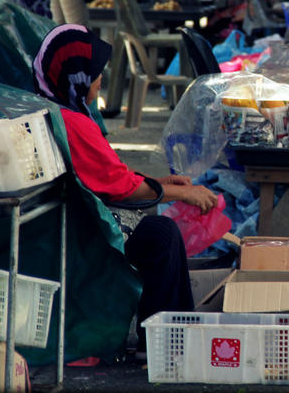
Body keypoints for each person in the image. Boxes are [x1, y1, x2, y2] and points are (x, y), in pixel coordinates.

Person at [32, 23, 219, 353]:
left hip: (72, 217)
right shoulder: (73, 122)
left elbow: (107, 175)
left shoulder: (62, 110)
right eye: (95, 72)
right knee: (161, 235)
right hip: (78, 231)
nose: (100, 79)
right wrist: (185, 193)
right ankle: (166, 343)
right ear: (76, 77)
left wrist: (160, 183)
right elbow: (122, 189)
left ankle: (169, 338)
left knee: (160, 231)